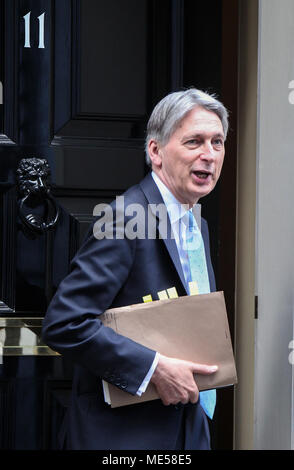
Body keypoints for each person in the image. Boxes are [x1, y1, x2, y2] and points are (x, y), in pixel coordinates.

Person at [42, 88, 228, 450]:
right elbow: (64, 324)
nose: (209, 155)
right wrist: (154, 368)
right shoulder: (125, 218)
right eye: (194, 142)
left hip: (187, 428)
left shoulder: (196, 221)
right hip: (124, 436)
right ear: (156, 152)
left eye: (217, 142)